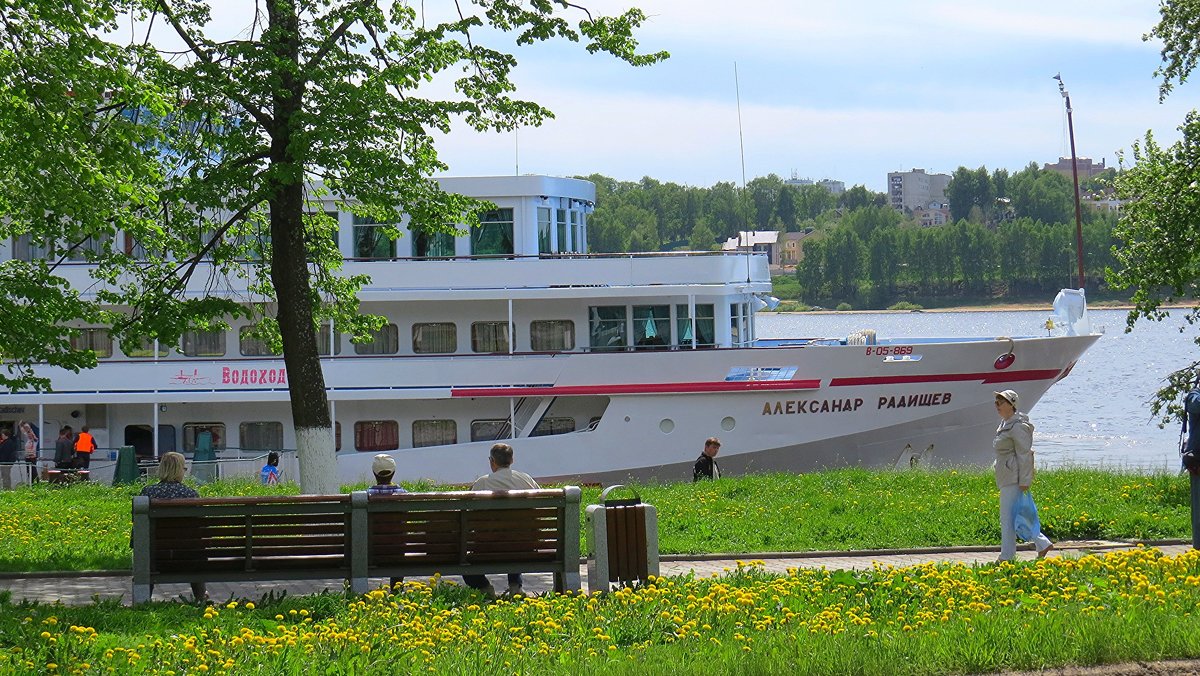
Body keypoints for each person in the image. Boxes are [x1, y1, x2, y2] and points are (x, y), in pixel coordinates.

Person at [463, 443, 538, 596]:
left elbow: (468, 512)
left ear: (492, 461)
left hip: (487, 548)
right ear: (512, 460)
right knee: (515, 537)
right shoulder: (527, 480)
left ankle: (485, 588)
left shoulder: (482, 483)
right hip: (526, 547)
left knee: (465, 562)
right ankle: (515, 586)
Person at [993, 389, 1053, 561]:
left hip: (1013, 477)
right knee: (1013, 515)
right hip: (1006, 475)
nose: (997, 406)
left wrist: (1025, 480)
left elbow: (1024, 454)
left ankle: (1007, 556)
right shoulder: (1005, 424)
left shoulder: (1017, 426)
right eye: (996, 403)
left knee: (1007, 517)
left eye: (1000, 403)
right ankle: (1042, 543)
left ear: (1011, 405)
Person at [138, 452, 206, 601]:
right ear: (179, 470)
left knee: (147, 553)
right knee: (194, 548)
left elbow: (138, 533)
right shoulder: (190, 494)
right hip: (187, 559)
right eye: (184, 468)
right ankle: (200, 596)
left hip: (155, 558)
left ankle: (144, 600)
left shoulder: (147, 493)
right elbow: (199, 531)